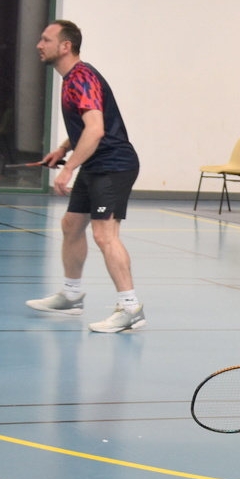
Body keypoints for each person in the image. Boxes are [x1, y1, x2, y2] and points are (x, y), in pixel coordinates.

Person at [24, 20, 145, 333]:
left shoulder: (83, 78)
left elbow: (95, 130)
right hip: (95, 163)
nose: (39, 45)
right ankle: (71, 296)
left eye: (46, 40)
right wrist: (63, 148)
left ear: (66, 46)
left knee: (105, 234)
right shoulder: (71, 79)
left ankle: (130, 309)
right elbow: (85, 126)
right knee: (71, 225)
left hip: (113, 165)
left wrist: (68, 168)